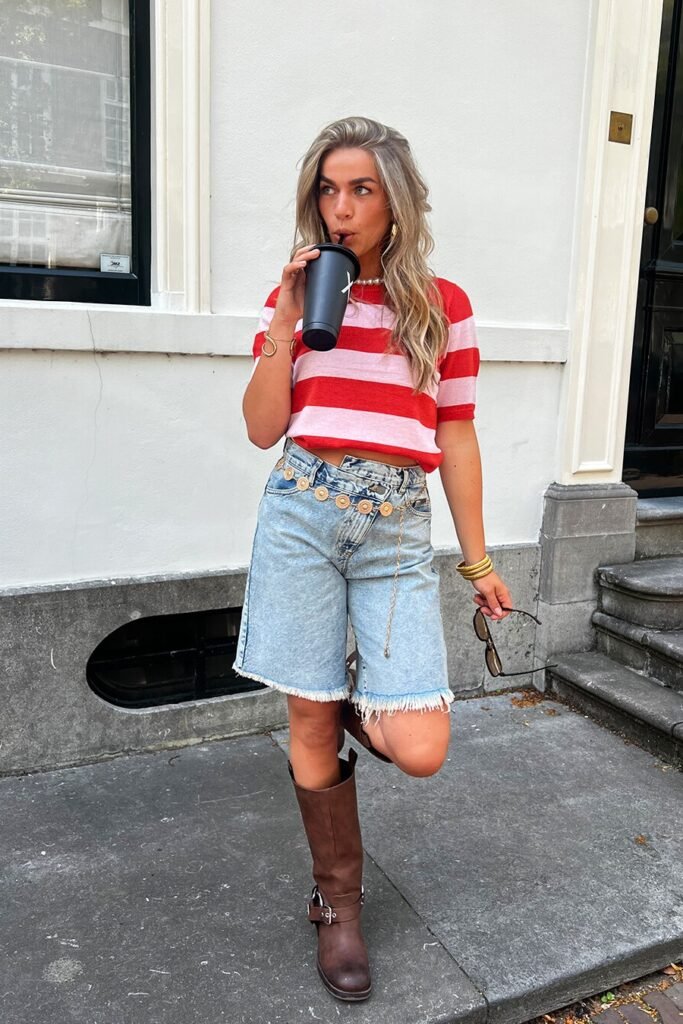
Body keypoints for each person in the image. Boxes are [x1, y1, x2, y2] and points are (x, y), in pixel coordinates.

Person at [233, 115, 513, 1002]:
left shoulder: (443, 304)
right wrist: (284, 318)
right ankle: (338, 905)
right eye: (327, 188)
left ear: (395, 199)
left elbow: (457, 436)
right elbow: (261, 428)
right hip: (303, 517)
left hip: (393, 531)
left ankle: (354, 693)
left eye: (360, 188)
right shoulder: (298, 295)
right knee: (310, 721)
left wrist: (476, 561)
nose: (342, 206)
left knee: (421, 746)